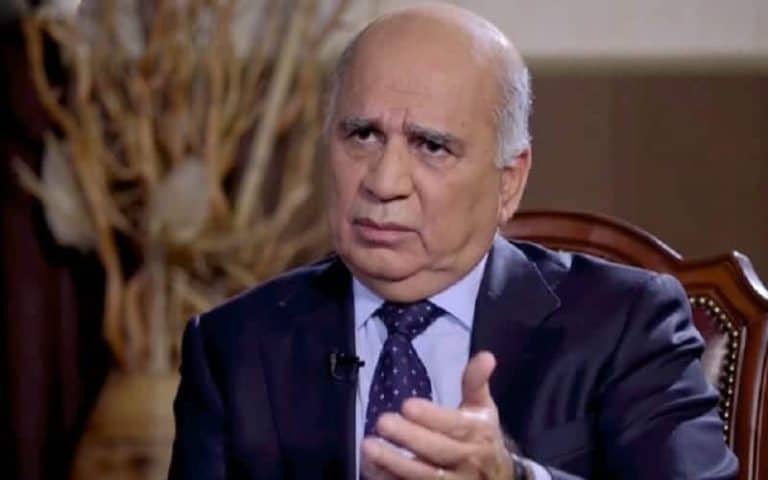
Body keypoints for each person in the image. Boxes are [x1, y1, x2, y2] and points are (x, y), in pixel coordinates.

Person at [168, 4, 738, 479]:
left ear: (508, 182)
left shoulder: (624, 323)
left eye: (431, 146)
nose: (384, 182)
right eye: (362, 135)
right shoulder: (233, 347)